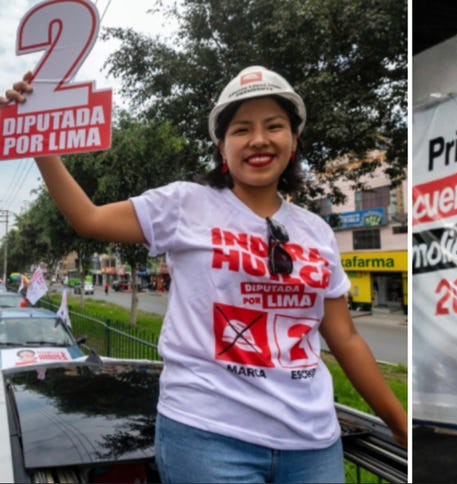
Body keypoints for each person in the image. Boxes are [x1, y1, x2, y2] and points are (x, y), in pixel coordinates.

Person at [2, 65, 407, 483]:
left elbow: (345, 337)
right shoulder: (184, 205)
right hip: (208, 438)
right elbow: (88, 219)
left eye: (274, 126)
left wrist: (400, 423)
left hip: (313, 444)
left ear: (293, 141)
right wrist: (39, 138)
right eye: (241, 129)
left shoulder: (318, 232)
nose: (259, 140)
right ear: (222, 146)